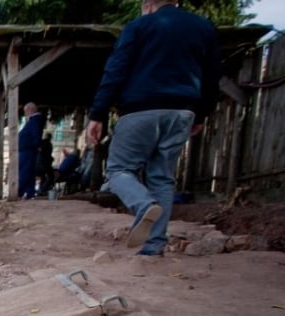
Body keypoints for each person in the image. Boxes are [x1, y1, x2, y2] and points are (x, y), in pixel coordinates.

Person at [85, 0, 220, 257]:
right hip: (182, 112)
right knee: (162, 177)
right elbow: (212, 76)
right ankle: (153, 245)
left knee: (119, 170)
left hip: (140, 109)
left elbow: (115, 70)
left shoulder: (139, 27)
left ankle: (143, 204)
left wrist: (98, 114)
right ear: (176, 2)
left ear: (147, 5)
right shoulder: (204, 28)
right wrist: (201, 114)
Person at [18, 102, 44, 199]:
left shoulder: (35, 120)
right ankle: (29, 192)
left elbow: (35, 135)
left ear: (29, 110)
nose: (25, 114)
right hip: (27, 150)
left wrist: (35, 145)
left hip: (28, 150)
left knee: (25, 171)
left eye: (25, 111)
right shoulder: (33, 121)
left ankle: (19, 192)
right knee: (28, 172)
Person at [36, 131, 54, 196]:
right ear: (50, 138)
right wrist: (51, 159)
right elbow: (47, 155)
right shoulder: (49, 144)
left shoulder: (41, 143)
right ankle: (43, 190)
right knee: (51, 177)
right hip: (45, 164)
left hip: (38, 164)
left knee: (43, 177)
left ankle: (41, 191)